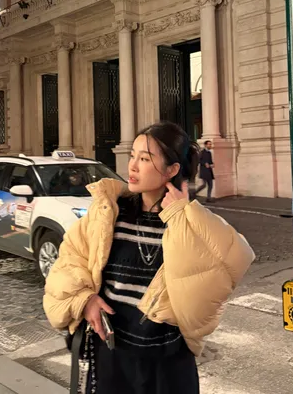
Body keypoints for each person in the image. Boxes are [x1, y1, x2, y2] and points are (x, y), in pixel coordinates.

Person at [43, 121, 255, 394]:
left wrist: (180, 214)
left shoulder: (189, 220)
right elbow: (68, 262)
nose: (132, 166)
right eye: (133, 156)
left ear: (172, 169)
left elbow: (229, 267)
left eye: (144, 159)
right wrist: (84, 299)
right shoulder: (110, 212)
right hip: (112, 355)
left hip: (168, 361)